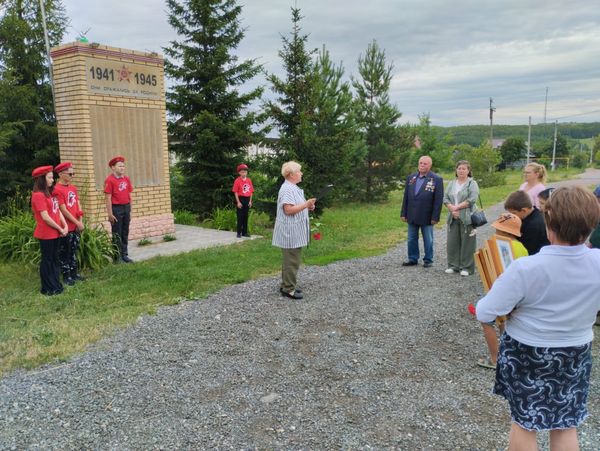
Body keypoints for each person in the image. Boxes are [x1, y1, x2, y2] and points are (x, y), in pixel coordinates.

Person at [476, 186, 600, 451]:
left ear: (549, 220)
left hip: (527, 352)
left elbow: (486, 312)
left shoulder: (526, 267)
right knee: (566, 424)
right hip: (575, 352)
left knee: (524, 422)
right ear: (592, 223)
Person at [477, 213, 528, 370]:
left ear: (502, 231)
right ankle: (509, 353)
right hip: (518, 293)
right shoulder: (522, 247)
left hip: (502, 291)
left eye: (497, 229)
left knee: (486, 319)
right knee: (505, 320)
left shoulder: (497, 245)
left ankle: (495, 358)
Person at [272, 161, 316, 300]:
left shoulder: (293, 187)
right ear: (291, 174)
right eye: (299, 171)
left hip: (294, 230)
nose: (301, 173)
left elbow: (298, 205)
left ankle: (286, 285)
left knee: (290, 260)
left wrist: (308, 206)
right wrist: (305, 204)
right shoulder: (287, 189)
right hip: (290, 232)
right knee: (292, 260)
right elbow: (288, 210)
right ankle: (288, 289)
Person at [400, 155, 444, 268]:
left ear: (430, 165)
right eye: (420, 163)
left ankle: (428, 260)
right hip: (412, 214)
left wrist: (435, 217)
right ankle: (412, 258)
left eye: (425, 163)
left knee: (428, 239)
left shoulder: (436, 179)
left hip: (427, 216)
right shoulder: (411, 178)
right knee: (411, 239)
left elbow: (438, 200)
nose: (422, 165)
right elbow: (406, 197)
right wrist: (403, 213)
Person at [31, 165, 68, 296]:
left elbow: (57, 210)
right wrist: (60, 228)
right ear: (42, 179)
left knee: (54, 259)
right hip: (46, 233)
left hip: (56, 232)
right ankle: (47, 287)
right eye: (50, 177)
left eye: (52, 177)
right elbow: (45, 217)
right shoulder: (38, 195)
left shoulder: (50, 193)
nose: (53, 180)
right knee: (47, 260)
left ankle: (56, 284)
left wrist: (65, 225)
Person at [443, 160, 478, 276]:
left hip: (467, 217)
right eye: (459, 168)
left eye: (464, 168)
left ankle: (467, 268)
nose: (461, 170)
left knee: (468, 243)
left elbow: (472, 199)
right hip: (453, 216)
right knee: (452, 242)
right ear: (456, 170)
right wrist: (451, 208)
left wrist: (456, 207)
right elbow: (445, 198)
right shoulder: (452, 183)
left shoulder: (472, 183)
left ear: (468, 171)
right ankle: (453, 266)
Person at [54, 162, 85, 285]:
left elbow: (78, 204)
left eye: (73, 173)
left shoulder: (73, 188)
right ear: (61, 174)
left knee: (73, 250)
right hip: (66, 227)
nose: (72, 176)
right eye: (70, 174)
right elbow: (63, 209)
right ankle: (66, 276)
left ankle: (74, 273)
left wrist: (80, 221)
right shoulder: (57, 189)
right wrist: (76, 222)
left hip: (76, 225)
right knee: (65, 251)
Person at [104, 156, 134, 263]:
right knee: (117, 233)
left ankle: (124, 254)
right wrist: (110, 214)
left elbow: (129, 195)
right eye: (119, 166)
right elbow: (108, 198)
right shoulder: (109, 180)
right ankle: (117, 257)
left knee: (125, 232)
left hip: (126, 207)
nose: (122, 168)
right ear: (113, 167)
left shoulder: (126, 179)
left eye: (123, 166)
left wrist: (130, 210)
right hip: (116, 208)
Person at [504, 190, 549, 255]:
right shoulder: (533, 214)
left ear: (524, 210)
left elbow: (526, 250)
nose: (512, 216)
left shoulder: (533, 226)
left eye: (514, 213)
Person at [231, 163, 254, 238]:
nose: (244, 173)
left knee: (245, 217)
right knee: (240, 217)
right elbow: (235, 192)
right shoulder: (237, 181)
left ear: (247, 172)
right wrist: (238, 202)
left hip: (247, 199)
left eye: (245, 172)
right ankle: (239, 232)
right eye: (242, 172)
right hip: (240, 199)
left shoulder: (249, 180)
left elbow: (251, 192)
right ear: (239, 172)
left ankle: (244, 232)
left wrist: (250, 201)